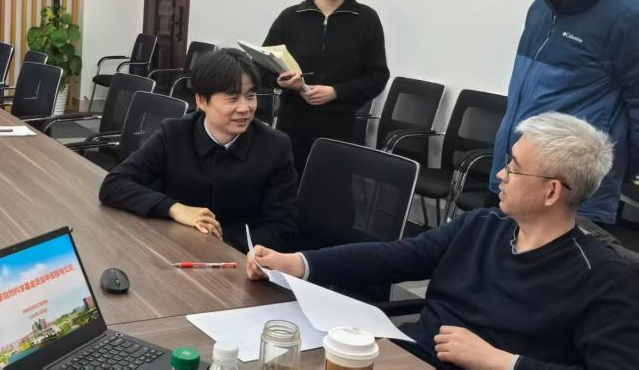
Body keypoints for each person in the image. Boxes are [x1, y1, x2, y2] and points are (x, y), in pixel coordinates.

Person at [247, 112, 639, 369]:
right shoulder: (482, 225)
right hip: (410, 356)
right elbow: (394, 257)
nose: (500, 174)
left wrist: (500, 362)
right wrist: (298, 263)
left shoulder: (603, 277)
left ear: (551, 191)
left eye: (514, 168)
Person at [488, 0, 639, 224]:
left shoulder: (627, 20)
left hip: (571, 196)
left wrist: (610, 174)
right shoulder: (539, 10)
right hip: (517, 176)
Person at [98, 48, 299, 253]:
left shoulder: (275, 146)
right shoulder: (174, 134)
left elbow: (283, 227)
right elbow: (114, 184)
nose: (245, 108)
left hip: (239, 257)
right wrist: (174, 208)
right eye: (232, 98)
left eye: (251, 96)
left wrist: (226, 248)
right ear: (201, 101)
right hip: (173, 248)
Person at [263, 0, 389, 179]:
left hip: (338, 128)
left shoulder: (366, 20)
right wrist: (281, 81)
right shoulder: (290, 17)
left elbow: (378, 76)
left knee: (331, 192)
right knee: (286, 189)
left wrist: (336, 92)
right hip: (293, 125)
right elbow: (262, 68)